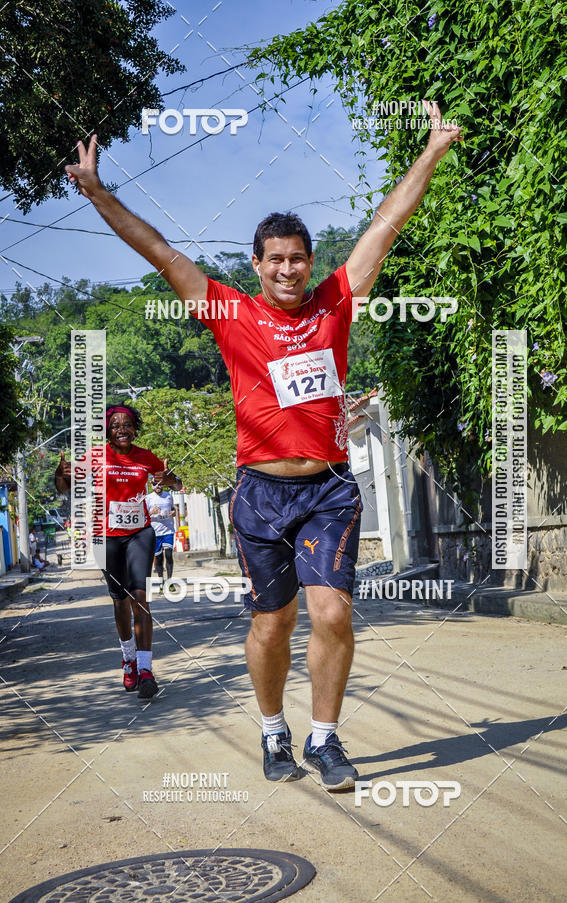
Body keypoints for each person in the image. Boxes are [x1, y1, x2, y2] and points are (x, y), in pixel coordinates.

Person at [65, 101, 461, 787]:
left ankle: (326, 738)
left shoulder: (336, 301)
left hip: (329, 488)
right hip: (260, 493)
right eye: (275, 258)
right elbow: (160, 251)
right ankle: (275, 730)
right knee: (272, 625)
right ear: (256, 264)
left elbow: (384, 228)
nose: (287, 269)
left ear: (311, 262)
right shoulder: (229, 310)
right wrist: (98, 191)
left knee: (332, 609)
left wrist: (432, 150)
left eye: (298, 258)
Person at [55, 405, 182, 699]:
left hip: (140, 533)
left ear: (135, 427)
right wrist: (60, 473)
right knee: (120, 600)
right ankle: (129, 660)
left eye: (127, 424)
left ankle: (147, 669)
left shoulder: (146, 456)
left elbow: (176, 483)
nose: (121, 429)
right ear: (107, 431)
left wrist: (170, 479)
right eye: (115, 425)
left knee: (140, 597)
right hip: (106, 537)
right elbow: (65, 487)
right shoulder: (97, 456)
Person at [145, 478, 177, 591]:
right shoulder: (148, 498)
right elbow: (143, 516)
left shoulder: (168, 495)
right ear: (151, 485)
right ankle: (161, 581)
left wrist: (174, 512)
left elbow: (173, 509)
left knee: (168, 555)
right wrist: (150, 512)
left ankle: (169, 581)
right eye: (155, 484)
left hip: (168, 530)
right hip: (155, 532)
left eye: (159, 484)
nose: (158, 486)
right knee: (158, 559)